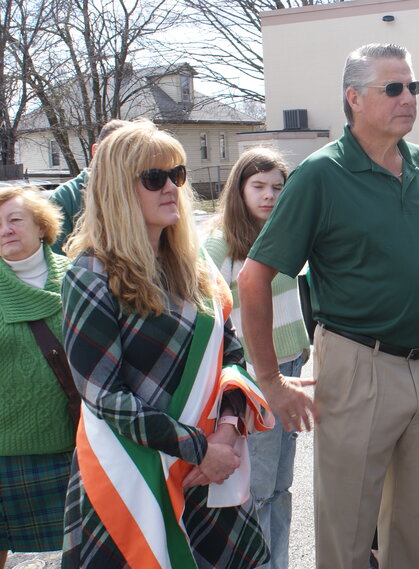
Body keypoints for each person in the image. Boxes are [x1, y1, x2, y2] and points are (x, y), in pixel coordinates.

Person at [238, 43, 419, 569]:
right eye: (393, 88)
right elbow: (254, 279)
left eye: (413, 87)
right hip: (357, 364)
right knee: (346, 532)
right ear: (354, 98)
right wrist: (270, 380)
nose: (408, 97)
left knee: (413, 526)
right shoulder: (320, 175)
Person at [60, 119, 273, 569]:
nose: (171, 187)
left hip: (208, 471)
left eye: (176, 175)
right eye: (154, 178)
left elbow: (230, 355)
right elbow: (105, 397)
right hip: (135, 474)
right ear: (117, 189)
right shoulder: (90, 275)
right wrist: (200, 447)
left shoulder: (195, 267)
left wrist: (229, 432)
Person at [203, 146, 311, 569]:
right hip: (254, 376)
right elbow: (206, 314)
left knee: (282, 484)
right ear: (239, 189)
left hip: (292, 364)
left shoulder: (285, 235)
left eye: (277, 188)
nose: (269, 196)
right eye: (258, 186)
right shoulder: (220, 245)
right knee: (260, 485)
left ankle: (278, 561)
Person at [0, 187, 74, 568]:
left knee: (86, 549)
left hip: (73, 446)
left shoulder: (77, 276)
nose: (5, 230)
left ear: (41, 226)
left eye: (14, 219)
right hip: (4, 450)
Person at [49, 119, 131, 253]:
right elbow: (55, 262)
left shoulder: (145, 192)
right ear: (95, 150)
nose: (120, 160)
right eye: (112, 151)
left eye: (128, 153)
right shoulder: (66, 198)